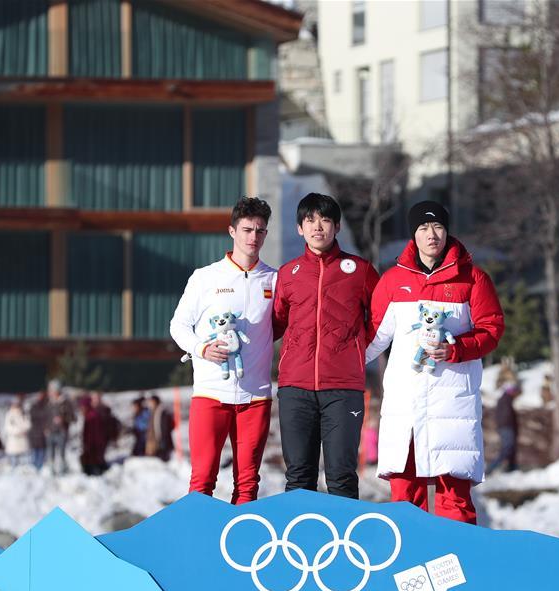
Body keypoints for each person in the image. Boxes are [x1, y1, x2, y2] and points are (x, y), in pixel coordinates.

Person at [366, 201, 504, 524]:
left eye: (438, 227)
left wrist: (456, 350)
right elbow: (371, 340)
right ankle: (406, 569)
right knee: (404, 499)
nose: (432, 235)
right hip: (406, 406)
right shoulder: (392, 281)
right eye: (424, 228)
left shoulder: (473, 279)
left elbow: (492, 329)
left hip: (452, 404)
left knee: (454, 499)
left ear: (447, 231)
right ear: (413, 235)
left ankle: (458, 569)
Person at [169, 197, 277, 503]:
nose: (253, 237)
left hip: (255, 395)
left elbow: (281, 327)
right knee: (202, 479)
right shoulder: (205, 278)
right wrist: (202, 348)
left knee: (247, 484)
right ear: (232, 231)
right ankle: (194, 546)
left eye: (259, 231)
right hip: (210, 394)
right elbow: (178, 326)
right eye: (246, 230)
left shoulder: (274, 279)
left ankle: (242, 547)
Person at [272, 193, 379, 499]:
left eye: (325, 220)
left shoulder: (360, 271)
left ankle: (344, 546)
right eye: (310, 220)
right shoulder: (288, 274)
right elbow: (276, 323)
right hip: (295, 386)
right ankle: (297, 545)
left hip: (343, 388)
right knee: (298, 476)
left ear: (337, 226)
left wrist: (357, 349)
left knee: (342, 477)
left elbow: (384, 318)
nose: (317, 227)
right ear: (299, 229)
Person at [487, 383, 520, 474]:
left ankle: (512, 468)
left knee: (511, 448)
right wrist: (509, 426)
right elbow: (506, 416)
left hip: (506, 427)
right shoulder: (505, 400)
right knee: (507, 448)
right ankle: (491, 468)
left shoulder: (506, 400)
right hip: (507, 428)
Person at [45, 380, 76, 475]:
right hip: (50, 431)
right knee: (50, 452)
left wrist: (63, 418)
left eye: (51, 390)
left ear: (57, 391)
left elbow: (73, 418)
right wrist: (45, 427)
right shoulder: (48, 403)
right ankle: (51, 470)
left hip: (61, 432)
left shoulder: (66, 402)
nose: (50, 392)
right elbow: (44, 417)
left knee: (61, 453)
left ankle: (62, 469)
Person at [80, 394, 109, 475]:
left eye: (83, 407)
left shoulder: (92, 416)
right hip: (91, 444)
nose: (81, 409)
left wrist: (90, 444)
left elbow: (96, 433)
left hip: (94, 444)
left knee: (93, 460)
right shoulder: (89, 415)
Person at [3, 395, 32, 468]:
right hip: (13, 442)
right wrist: (18, 431)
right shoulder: (9, 414)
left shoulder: (23, 413)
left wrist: (23, 430)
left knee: (23, 464)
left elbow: (28, 424)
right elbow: (8, 428)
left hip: (23, 442)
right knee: (14, 462)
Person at [145, 394, 174, 462]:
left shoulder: (162, 412)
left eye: (151, 401)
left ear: (155, 401)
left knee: (163, 460)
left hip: (161, 440)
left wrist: (163, 440)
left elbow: (165, 428)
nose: (149, 404)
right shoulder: (153, 411)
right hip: (155, 441)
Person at [28, 390, 49, 470]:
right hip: (35, 432)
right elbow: (33, 418)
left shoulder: (46, 405)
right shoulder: (34, 407)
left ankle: (39, 467)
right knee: (35, 450)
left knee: (41, 450)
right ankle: (34, 467)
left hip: (42, 433)